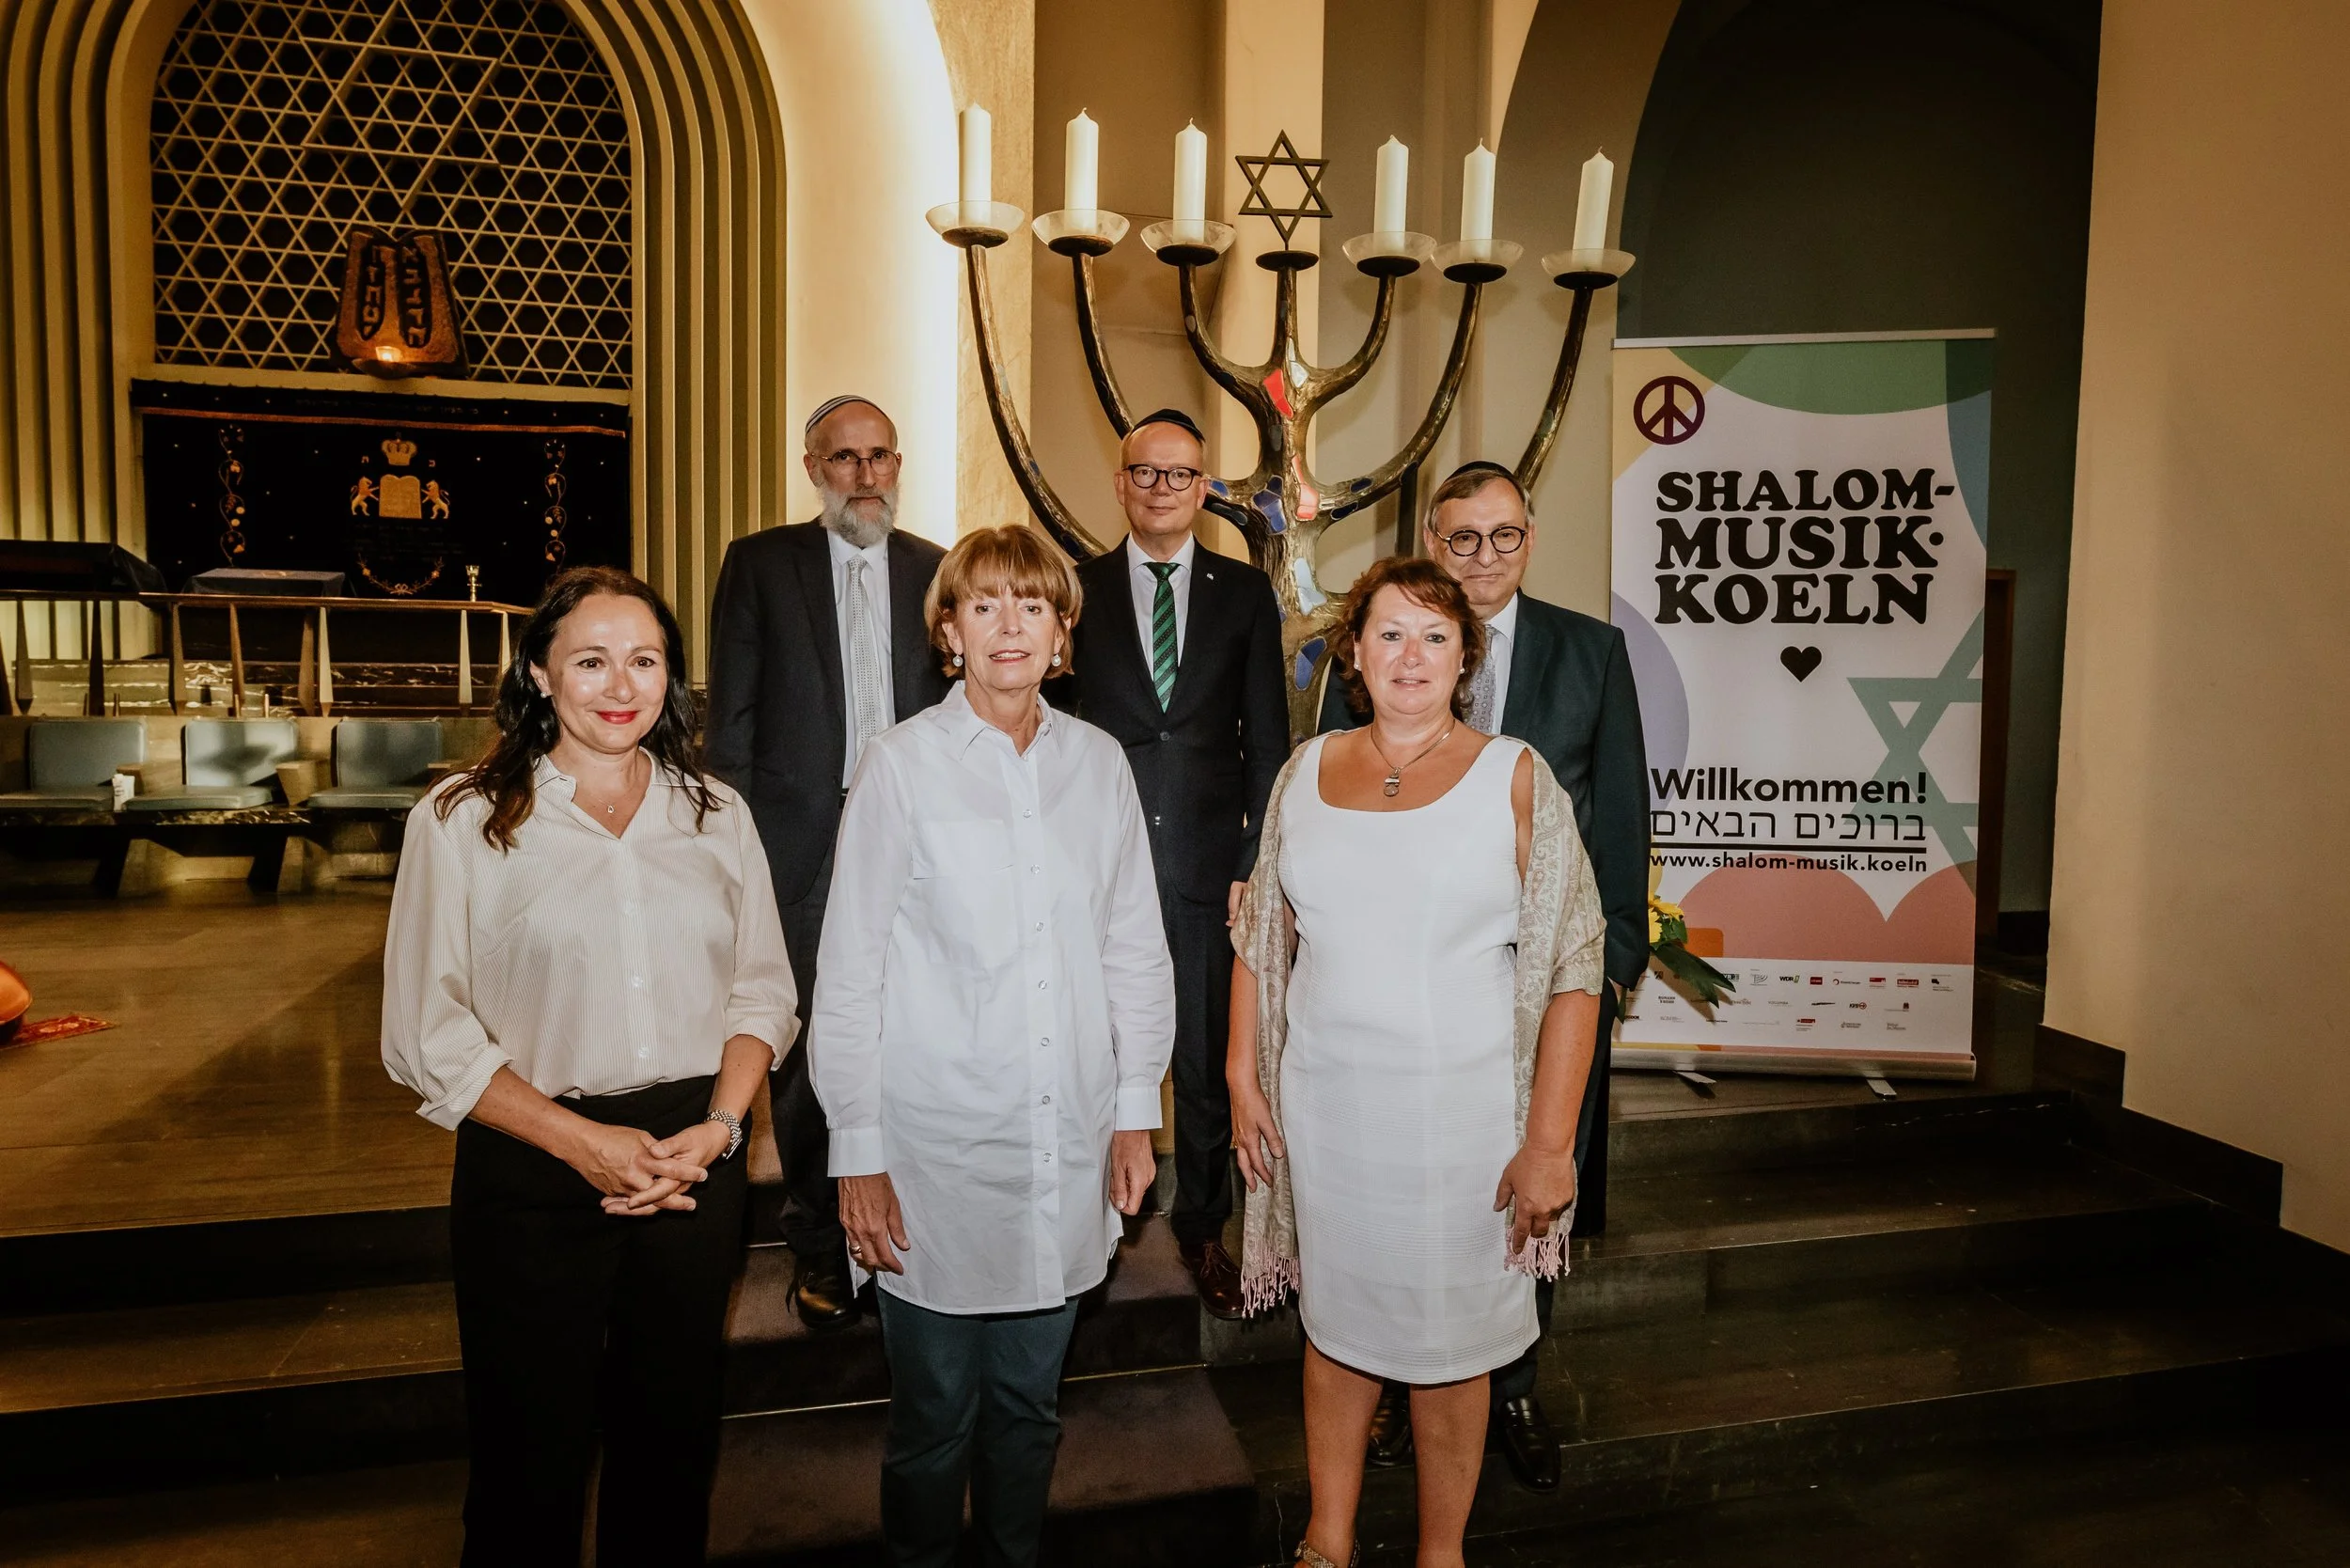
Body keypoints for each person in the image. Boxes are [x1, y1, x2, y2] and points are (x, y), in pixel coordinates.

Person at [382, 566, 797, 1567]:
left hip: (693, 1160)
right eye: (592, 661)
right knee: (528, 1466)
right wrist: (582, 1144)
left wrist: (722, 1129)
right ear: (539, 673)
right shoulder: (462, 819)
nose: (622, 686)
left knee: (671, 1449)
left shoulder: (717, 813)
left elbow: (762, 993)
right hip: (531, 1157)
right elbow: (426, 1032)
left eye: (645, 660)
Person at [812, 525, 1177, 1568]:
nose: (1008, 625)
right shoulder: (900, 767)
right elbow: (850, 972)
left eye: (1031, 604)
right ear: (949, 632)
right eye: (983, 605)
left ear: (1063, 632)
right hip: (935, 1152)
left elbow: (1133, 950)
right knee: (932, 1422)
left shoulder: (1098, 766)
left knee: (1029, 1409)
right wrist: (858, 1152)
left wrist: (1135, 1113)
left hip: (1065, 1144)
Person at [1235, 556, 1606, 1568]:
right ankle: (1328, 1538)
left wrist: (1549, 1146)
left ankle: (1441, 1554)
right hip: (1328, 1115)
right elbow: (1262, 934)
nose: (1411, 655)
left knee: (1452, 1348)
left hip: (1461, 1124)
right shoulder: (1303, 772)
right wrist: (1239, 1076)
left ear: (1464, 657)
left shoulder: (1515, 776)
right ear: (1353, 654)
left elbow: (1574, 968)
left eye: (1435, 635)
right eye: (1390, 633)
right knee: (1337, 1325)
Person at [1318, 462, 1649, 1490]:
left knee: (1530, 1189)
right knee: (1407, 1194)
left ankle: (1513, 1384)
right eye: (1463, 538)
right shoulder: (1387, 651)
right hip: (1415, 988)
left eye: (1505, 535)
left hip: (1550, 984)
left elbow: (1622, 808)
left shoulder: (1591, 652)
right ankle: (1394, 1383)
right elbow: (1331, 799)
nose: (1485, 556)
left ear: (1530, 540)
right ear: (1434, 540)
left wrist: (1614, 960)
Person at [705, 395, 951, 1330]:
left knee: (919, 1037)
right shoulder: (761, 565)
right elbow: (730, 721)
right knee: (809, 1053)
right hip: (800, 849)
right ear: (814, 470)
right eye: (844, 458)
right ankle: (819, 1241)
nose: (865, 475)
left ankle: (910, 1227)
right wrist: (730, 852)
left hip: (920, 847)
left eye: (880, 456)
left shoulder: (938, 570)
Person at [1057, 407, 1288, 1317]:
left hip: (1206, 867)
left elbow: (1268, 743)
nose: (1161, 488)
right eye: (1145, 473)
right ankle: (1090, 1215)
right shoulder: (1073, 590)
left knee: (1201, 1060)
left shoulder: (1244, 594)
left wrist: (1252, 860)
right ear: (1120, 483)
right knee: (1087, 1043)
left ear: (1204, 490)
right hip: (1095, 865)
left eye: (1180, 474)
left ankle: (1200, 1227)